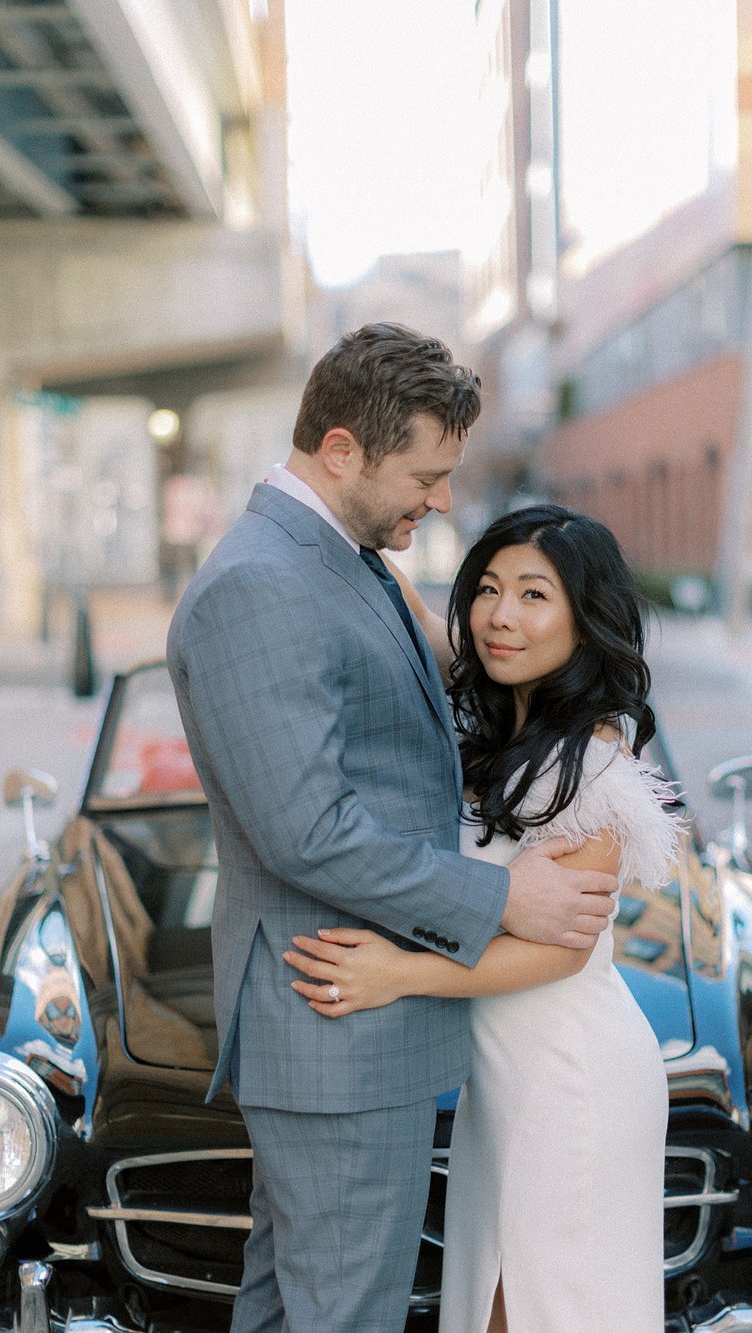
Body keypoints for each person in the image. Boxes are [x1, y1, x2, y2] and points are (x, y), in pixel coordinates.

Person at [165, 326, 619, 1333]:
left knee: (297, 1309)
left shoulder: (343, 561)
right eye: (426, 474)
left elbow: (398, 748)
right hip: (335, 1022)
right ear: (341, 450)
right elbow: (308, 831)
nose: (442, 499)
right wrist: (510, 894)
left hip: (348, 1024)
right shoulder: (263, 584)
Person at [286, 504, 681, 1333]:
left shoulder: (592, 763)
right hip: (503, 1080)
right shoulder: (513, 715)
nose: (502, 614)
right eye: (490, 589)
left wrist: (396, 974)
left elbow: (560, 953)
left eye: (535, 595)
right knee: (492, 1302)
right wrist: (332, 509)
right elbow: (418, 613)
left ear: (586, 617)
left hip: (571, 1077)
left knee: (538, 1307)